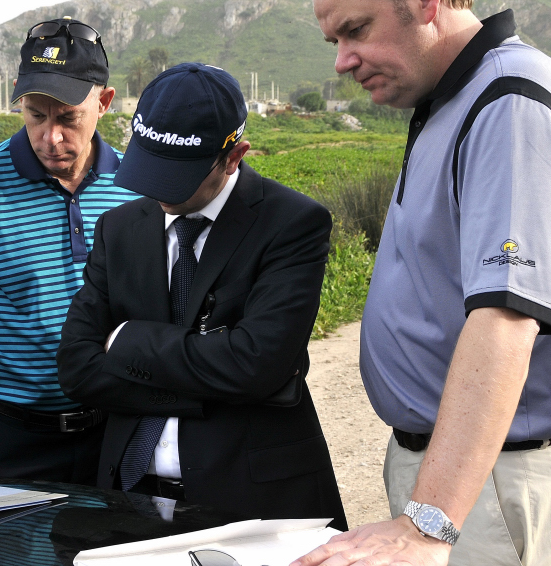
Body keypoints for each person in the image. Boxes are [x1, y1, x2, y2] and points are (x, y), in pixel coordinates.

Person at [293, 0, 551, 566]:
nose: (345, 61)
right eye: (334, 43)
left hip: (489, 488)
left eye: (356, 30)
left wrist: (428, 521)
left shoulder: (510, 104)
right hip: (465, 481)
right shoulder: (451, 99)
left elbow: (504, 320)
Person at [56, 62, 347, 527]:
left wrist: (129, 341)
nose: (159, 194)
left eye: (177, 178)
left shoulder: (292, 224)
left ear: (233, 156)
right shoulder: (120, 227)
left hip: (254, 505)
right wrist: (213, 385)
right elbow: (76, 364)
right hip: (130, 498)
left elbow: (257, 363)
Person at [0, 17, 137, 483]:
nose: (50, 137)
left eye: (67, 117)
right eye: (36, 116)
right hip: (10, 440)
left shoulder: (135, 189)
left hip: (116, 434)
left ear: (103, 103)